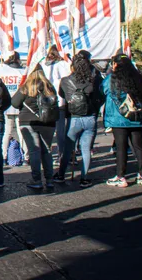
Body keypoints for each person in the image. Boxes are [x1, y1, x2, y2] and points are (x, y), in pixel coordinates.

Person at [102, 55, 142, 188]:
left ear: (115, 65)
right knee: (138, 146)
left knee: (121, 148)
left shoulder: (111, 79)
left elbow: (103, 90)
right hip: (137, 117)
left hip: (119, 118)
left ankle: (121, 176)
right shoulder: (138, 77)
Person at [57, 53, 103, 187]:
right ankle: (84, 177)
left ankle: (60, 175)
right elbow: (100, 97)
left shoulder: (66, 81)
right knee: (86, 149)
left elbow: (62, 94)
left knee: (67, 149)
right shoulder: (94, 80)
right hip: (90, 116)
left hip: (73, 117)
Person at [12, 65, 59, 190]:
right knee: (47, 150)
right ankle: (49, 180)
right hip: (48, 122)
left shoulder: (26, 87)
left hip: (28, 121)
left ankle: (36, 179)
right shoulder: (49, 87)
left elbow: (15, 103)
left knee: (34, 151)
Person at [40, 46, 71, 181]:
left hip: (47, 102)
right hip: (60, 102)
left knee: (47, 132)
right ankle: (61, 155)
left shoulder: (43, 65)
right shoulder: (63, 65)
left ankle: (47, 155)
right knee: (60, 131)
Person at [1, 52, 27, 162]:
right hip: (20, 105)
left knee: (7, 132)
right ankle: (26, 156)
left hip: (6, 106)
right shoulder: (22, 72)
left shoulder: (2, 72)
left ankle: (4, 155)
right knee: (22, 132)